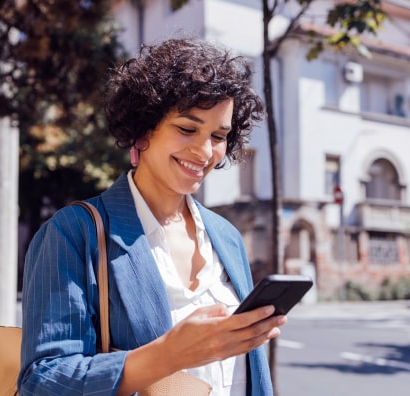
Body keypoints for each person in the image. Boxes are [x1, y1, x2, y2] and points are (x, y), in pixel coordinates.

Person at [17, 37, 286, 396]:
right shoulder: (72, 234)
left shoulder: (226, 236)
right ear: (144, 128)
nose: (205, 151)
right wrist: (168, 355)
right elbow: (42, 381)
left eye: (219, 136)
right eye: (187, 129)